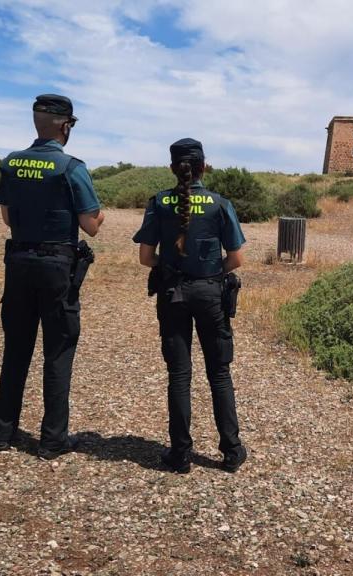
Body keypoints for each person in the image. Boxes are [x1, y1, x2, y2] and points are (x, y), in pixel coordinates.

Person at [0, 94, 105, 460]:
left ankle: (2, 432)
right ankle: (52, 439)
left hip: (18, 262)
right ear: (64, 125)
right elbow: (92, 226)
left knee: (16, 350)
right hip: (57, 267)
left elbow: (7, 218)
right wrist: (100, 217)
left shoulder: (11, 163)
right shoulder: (71, 167)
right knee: (58, 351)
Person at [133, 138, 248, 473]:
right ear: (203, 167)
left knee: (179, 375)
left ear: (173, 168)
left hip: (172, 294)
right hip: (211, 293)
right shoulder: (219, 203)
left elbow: (145, 258)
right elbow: (236, 258)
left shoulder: (159, 202)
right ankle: (231, 450)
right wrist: (211, 273)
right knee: (219, 373)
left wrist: (169, 268)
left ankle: (180, 453)